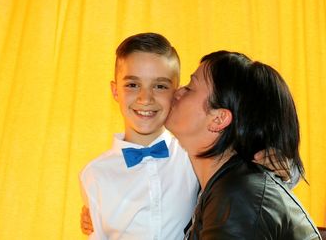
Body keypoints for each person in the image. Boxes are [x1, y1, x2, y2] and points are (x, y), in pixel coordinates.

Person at [79, 34, 298, 240]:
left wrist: (273, 159)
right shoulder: (95, 175)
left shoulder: (193, 152)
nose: (145, 98)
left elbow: (265, 188)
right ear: (115, 91)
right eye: (133, 85)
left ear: (175, 92)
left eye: (160, 86)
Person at [164, 50, 321, 239]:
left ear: (218, 119)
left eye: (189, 88)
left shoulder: (237, 196)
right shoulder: (231, 185)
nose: (177, 92)